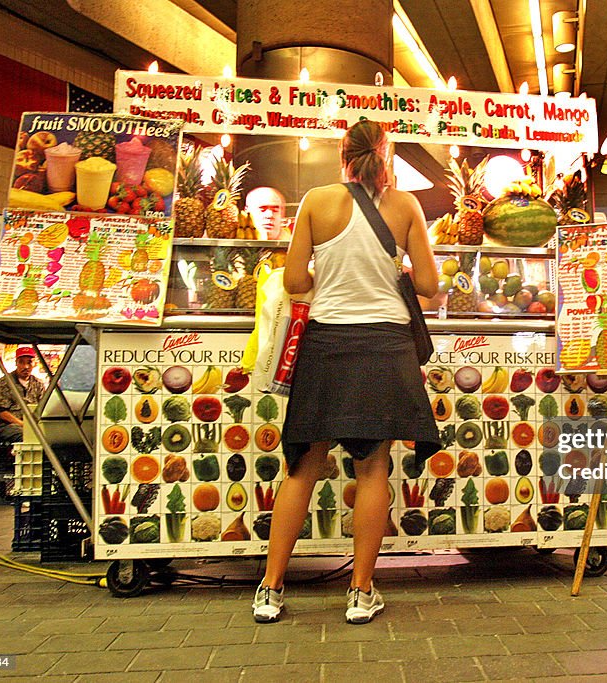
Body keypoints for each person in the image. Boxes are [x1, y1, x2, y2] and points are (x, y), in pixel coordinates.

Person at [252, 121, 440, 625]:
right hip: (384, 346)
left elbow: (294, 281)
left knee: (303, 467)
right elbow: (428, 284)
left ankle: (270, 589)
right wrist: (392, 271)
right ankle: (360, 591)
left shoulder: (315, 200)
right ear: (385, 155)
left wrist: (329, 273)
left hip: (328, 343)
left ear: (343, 155)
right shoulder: (405, 206)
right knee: (373, 467)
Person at [0, 346, 45, 443]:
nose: (25, 366)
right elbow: (2, 413)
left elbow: (43, 409)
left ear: (34, 364)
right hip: (9, 426)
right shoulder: (5, 382)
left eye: (29, 362)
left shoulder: (38, 384)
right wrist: (24, 425)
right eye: (21, 362)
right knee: (26, 436)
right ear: (16, 363)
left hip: (33, 425)